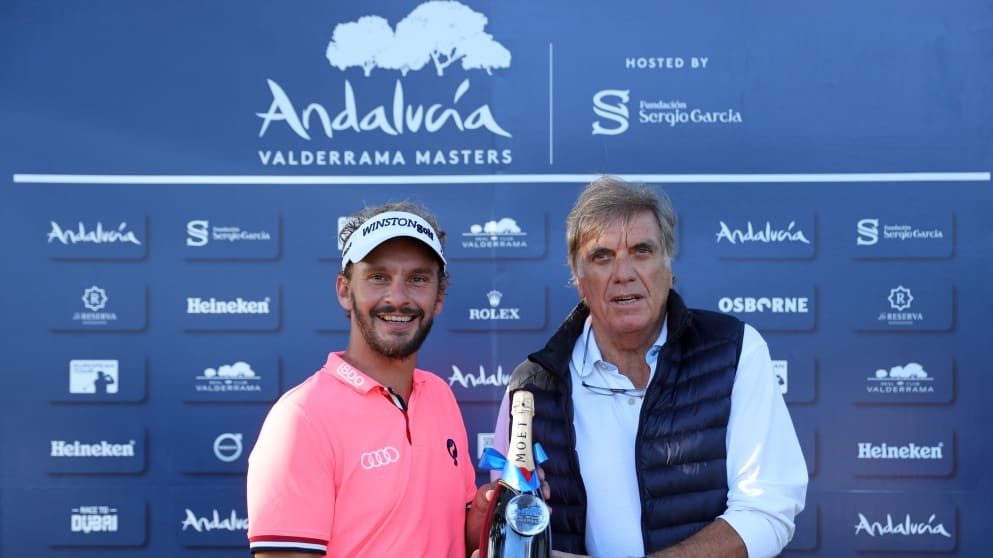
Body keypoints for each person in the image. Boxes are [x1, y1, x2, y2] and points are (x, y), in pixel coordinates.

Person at [490, 176, 808, 558]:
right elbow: (513, 533)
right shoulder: (531, 386)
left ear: (668, 268)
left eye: (641, 251)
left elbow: (768, 510)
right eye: (602, 256)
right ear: (578, 280)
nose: (623, 273)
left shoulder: (735, 351)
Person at [247, 202, 492, 557]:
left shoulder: (439, 395)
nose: (398, 297)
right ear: (345, 291)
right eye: (378, 277)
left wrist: (489, 510)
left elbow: (454, 534)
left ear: (439, 298)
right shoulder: (302, 418)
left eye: (418, 279)